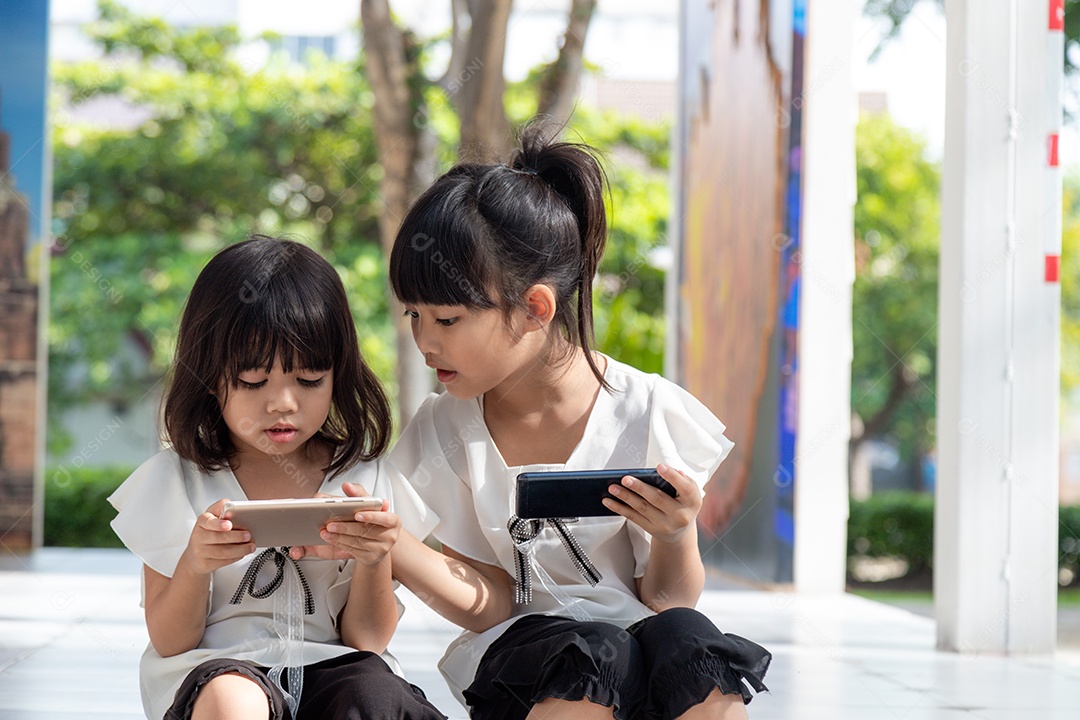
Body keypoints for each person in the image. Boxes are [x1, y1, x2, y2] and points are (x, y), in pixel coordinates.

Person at [382, 127, 772, 720]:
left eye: (447, 318)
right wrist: (391, 542)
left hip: (641, 661)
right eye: (414, 315)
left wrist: (674, 533)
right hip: (528, 671)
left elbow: (667, 600)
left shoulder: (649, 408)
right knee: (594, 650)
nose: (424, 341)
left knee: (688, 637)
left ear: (535, 308)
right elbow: (489, 603)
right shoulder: (445, 427)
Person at [108, 236, 445, 720]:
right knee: (233, 699)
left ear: (338, 374)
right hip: (217, 672)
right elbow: (167, 639)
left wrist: (375, 558)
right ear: (209, 375)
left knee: (376, 695)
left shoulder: (362, 478)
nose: (283, 403)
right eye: (252, 381)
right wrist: (194, 565)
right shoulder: (177, 479)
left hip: (333, 667)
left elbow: (367, 641)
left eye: (309, 380)